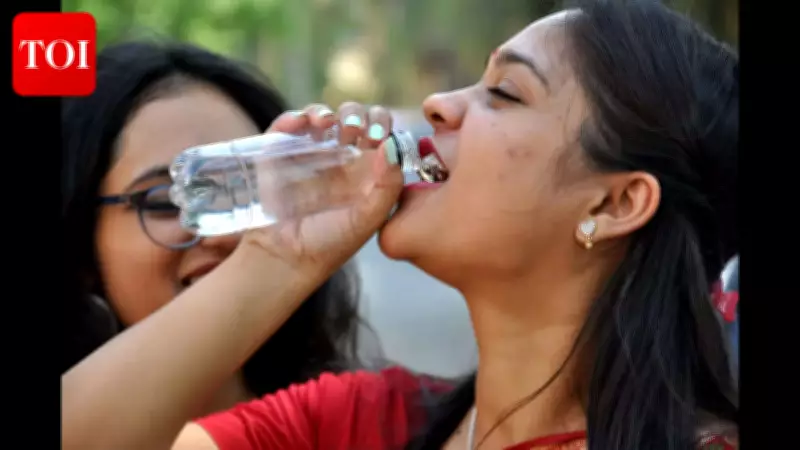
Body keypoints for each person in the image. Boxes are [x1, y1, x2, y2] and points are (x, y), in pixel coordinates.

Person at [62, 2, 739, 449]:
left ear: (613, 204)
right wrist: (280, 257)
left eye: (504, 93)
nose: (437, 105)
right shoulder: (360, 423)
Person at [62, 40, 366, 415]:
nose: (225, 235)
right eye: (168, 201)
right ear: (79, 246)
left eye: (253, 187)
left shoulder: (361, 421)